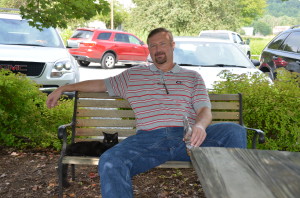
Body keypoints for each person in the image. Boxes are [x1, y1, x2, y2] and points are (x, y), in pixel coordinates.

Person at [47, 27, 246, 198]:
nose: (158, 49)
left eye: (162, 44)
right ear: (149, 49)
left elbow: (204, 109)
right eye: (153, 45)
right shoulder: (133, 75)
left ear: (172, 45)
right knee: (110, 161)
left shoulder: (192, 77)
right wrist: (64, 88)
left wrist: (200, 126)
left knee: (233, 131)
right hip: (149, 141)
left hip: (187, 139)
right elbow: (100, 84)